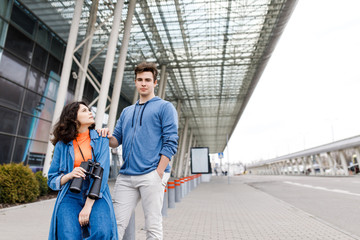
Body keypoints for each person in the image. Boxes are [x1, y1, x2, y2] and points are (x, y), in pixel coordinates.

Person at [98, 62, 179, 239]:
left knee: (153, 225)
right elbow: (115, 141)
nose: (144, 83)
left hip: (151, 174)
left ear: (155, 83)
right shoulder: (127, 111)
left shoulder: (165, 107)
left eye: (148, 80)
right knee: (115, 224)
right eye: (140, 79)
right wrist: (105, 135)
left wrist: (158, 172)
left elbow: (171, 142)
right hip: (126, 176)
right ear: (135, 82)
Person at [47, 101, 118, 240]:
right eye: (84, 111)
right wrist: (69, 175)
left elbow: (101, 175)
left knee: (102, 232)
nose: (90, 113)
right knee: (67, 235)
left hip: (97, 193)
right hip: (71, 193)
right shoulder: (62, 145)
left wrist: (88, 206)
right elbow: (51, 179)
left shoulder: (101, 138)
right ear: (73, 118)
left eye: (89, 110)